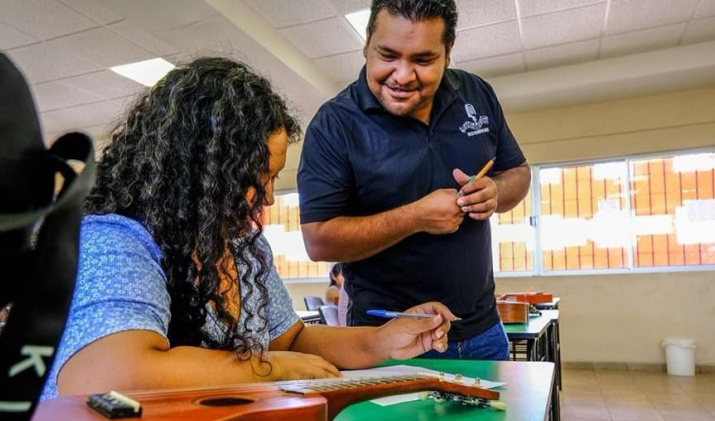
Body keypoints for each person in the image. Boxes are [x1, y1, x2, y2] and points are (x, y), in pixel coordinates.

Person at [46, 57, 455, 400]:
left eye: (273, 177)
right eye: (255, 177)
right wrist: (267, 367)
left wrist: (380, 341)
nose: (268, 198)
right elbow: (105, 376)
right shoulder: (114, 238)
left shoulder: (241, 245)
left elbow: (292, 340)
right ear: (198, 171)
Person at [297, 0, 531, 360]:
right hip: (386, 342)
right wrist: (415, 218)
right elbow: (318, 242)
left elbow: (518, 172)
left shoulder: (477, 95)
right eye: (387, 55)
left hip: (484, 331)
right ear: (366, 42)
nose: (403, 75)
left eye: (422, 60)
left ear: (447, 52)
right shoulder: (334, 125)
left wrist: (496, 192)